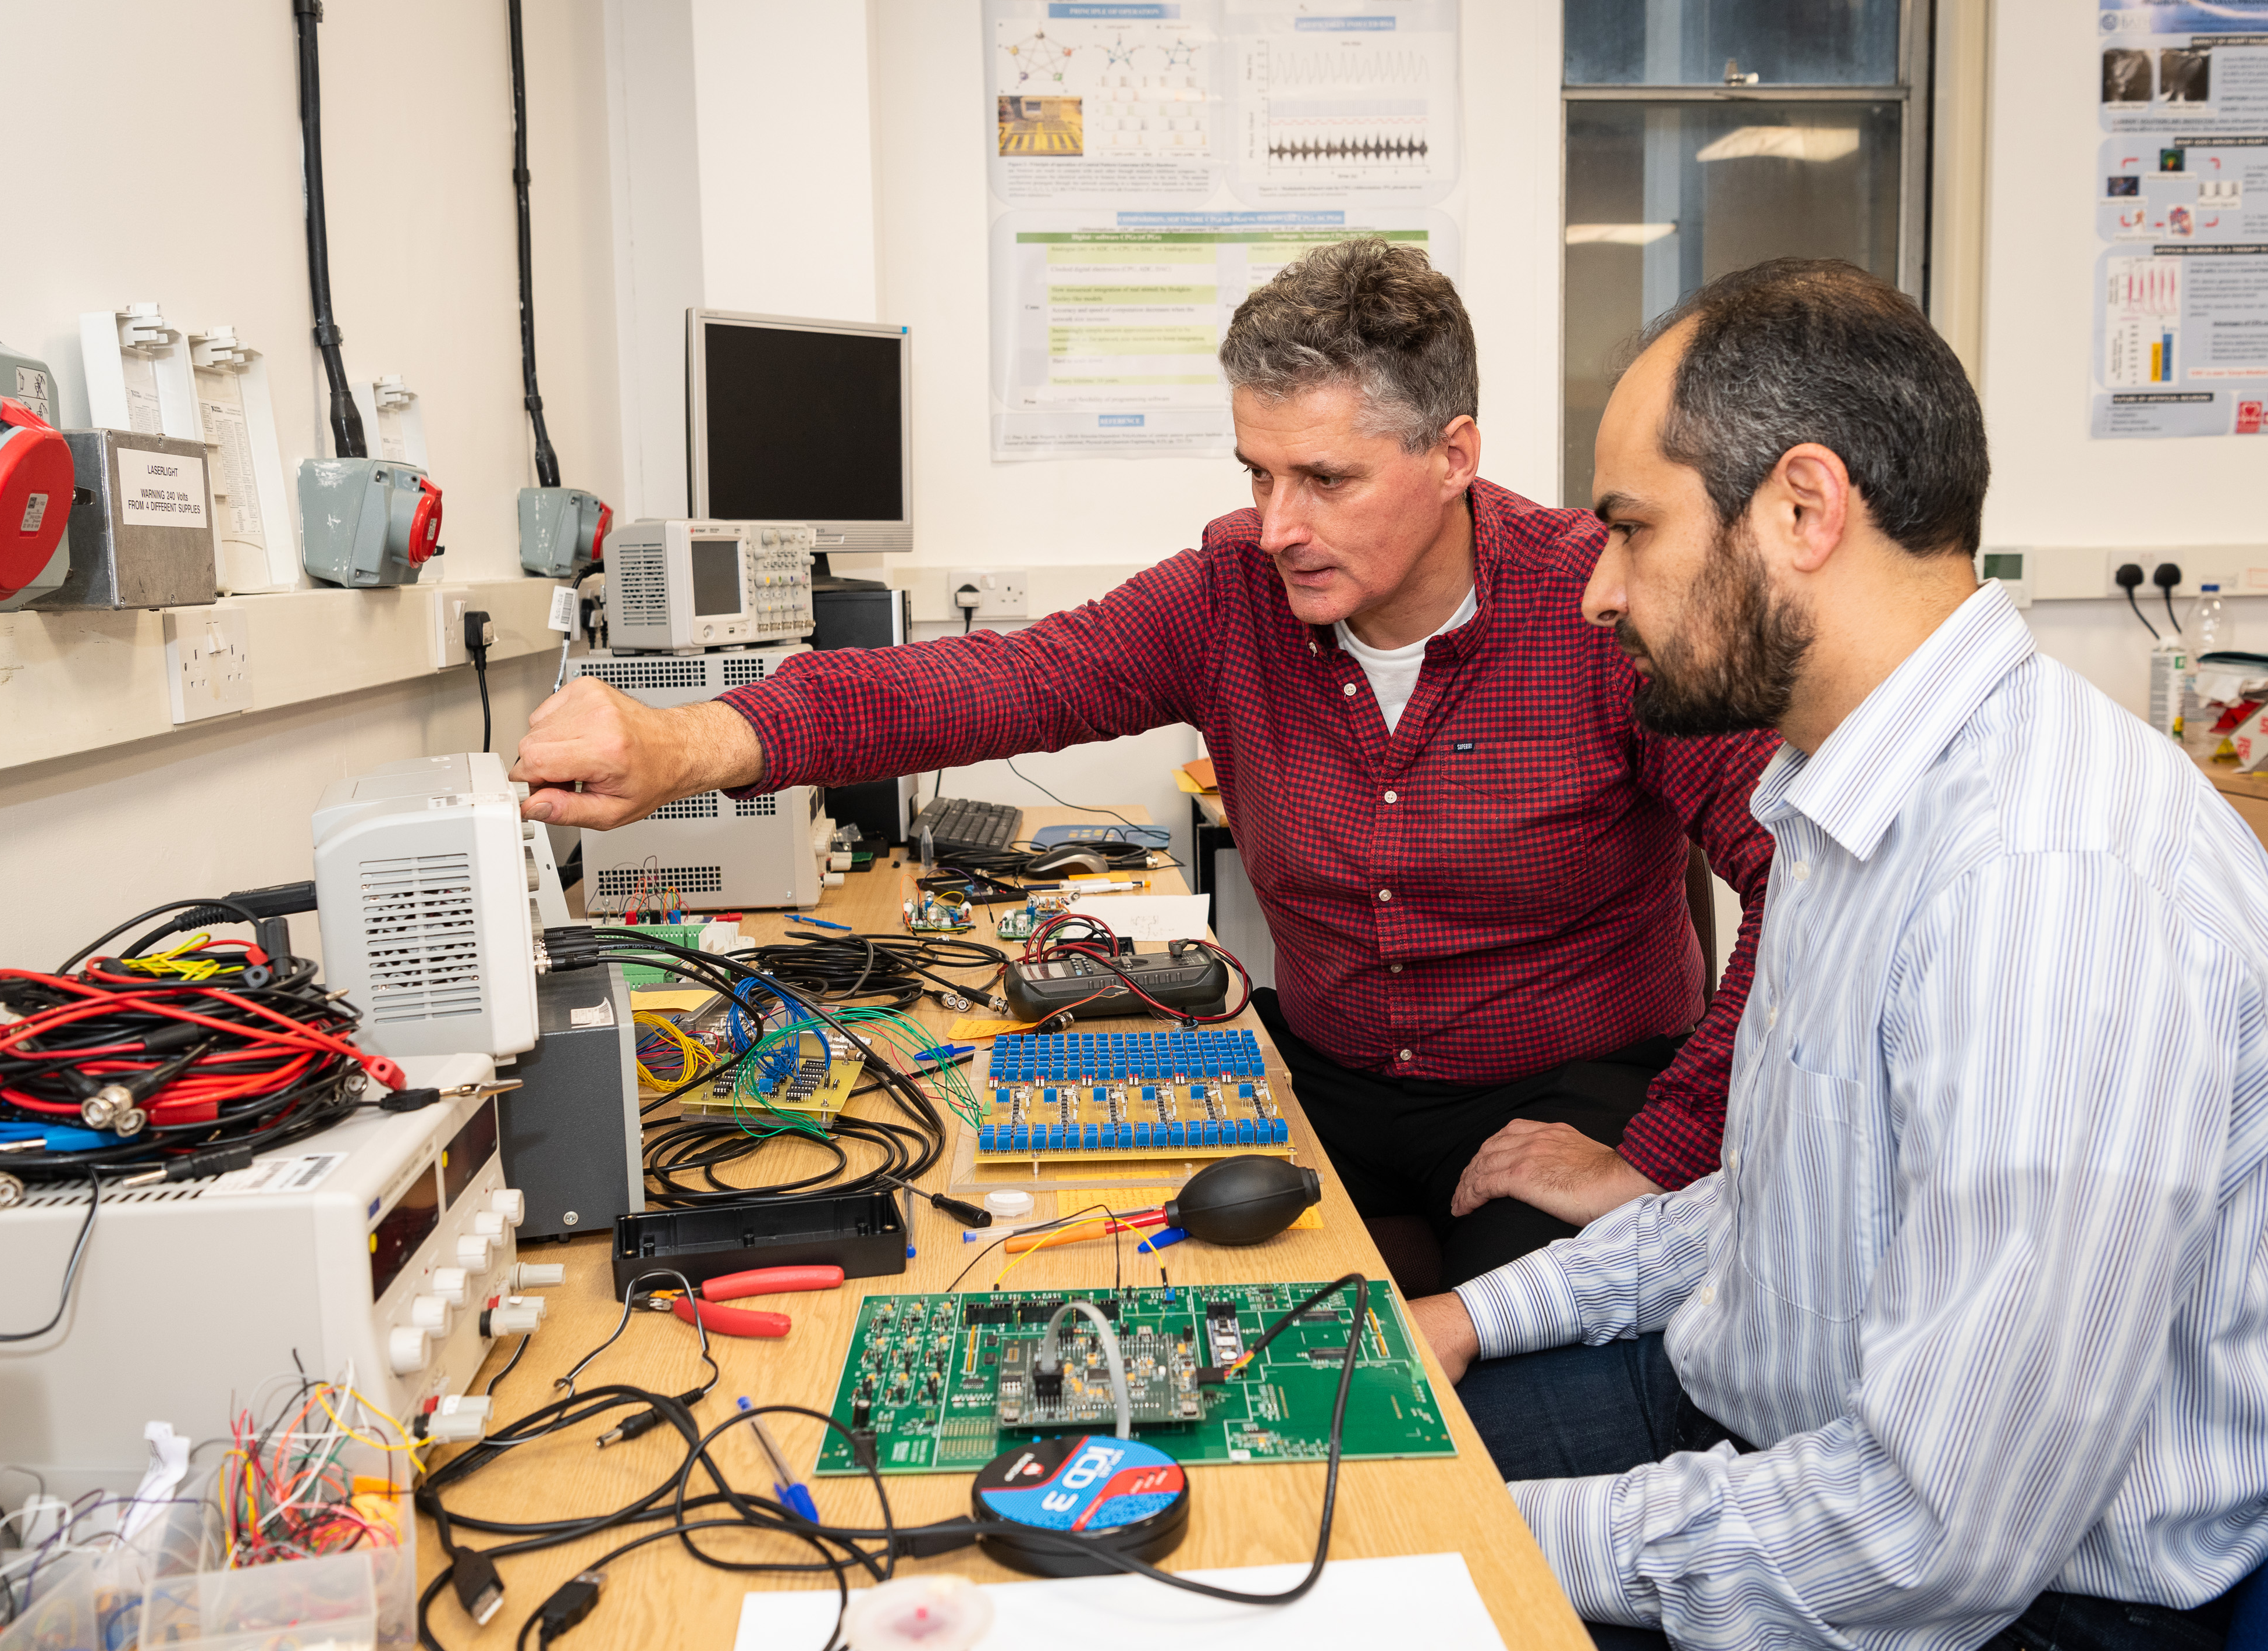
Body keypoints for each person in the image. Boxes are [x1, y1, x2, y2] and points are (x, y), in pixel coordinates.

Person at [514, 238, 1777, 1285]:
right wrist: (693, 739)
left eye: (1327, 479)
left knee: (1496, 1402)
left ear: (1453, 456)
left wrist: (1660, 1147)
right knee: (1131, 1282)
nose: (1277, 526)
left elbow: (1799, 878)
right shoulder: (1230, 596)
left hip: (1569, 1095)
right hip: (1329, 1080)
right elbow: (997, 683)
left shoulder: (1602, 606)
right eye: (1258, 473)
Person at [1420, 257, 2268, 1650]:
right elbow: (1781, 1206)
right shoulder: (1839, 791)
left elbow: (1926, 1533)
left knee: (1358, 1579)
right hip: (1761, 1422)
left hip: (2010, 1597)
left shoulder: (2047, 888)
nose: (1597, 594)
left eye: (1632, 531)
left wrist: (1481, 1542)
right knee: (1325, 1467)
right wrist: (1471, 1318)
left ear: (1804, 508)